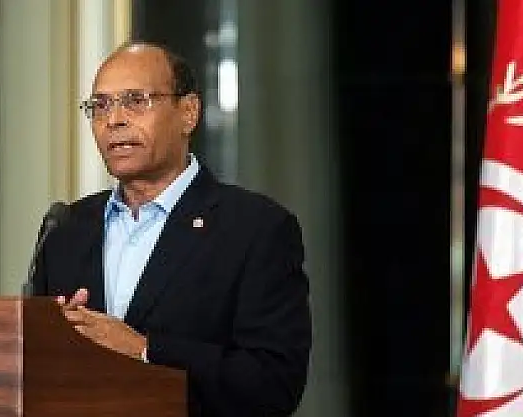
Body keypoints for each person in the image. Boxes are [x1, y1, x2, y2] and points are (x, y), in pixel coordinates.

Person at [29, 41, 312, 417]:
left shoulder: (255, 228)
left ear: (188, 113)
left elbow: (274, 384)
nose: (114, 120)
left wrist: (145, 350)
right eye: (100, 106)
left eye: (135, 100)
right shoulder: (66, 229)